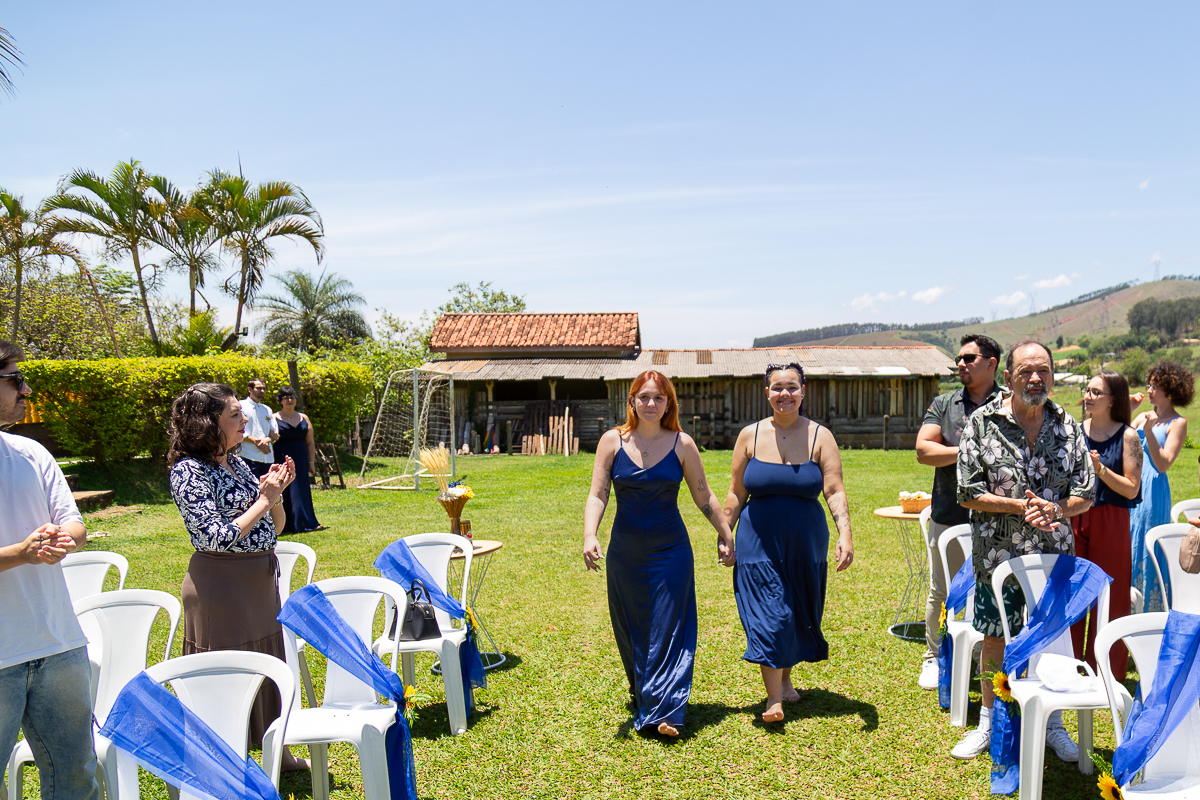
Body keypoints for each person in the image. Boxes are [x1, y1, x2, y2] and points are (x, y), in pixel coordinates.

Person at [951, 340, 1094, 761]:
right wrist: (1019, 506)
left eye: (1044, 371)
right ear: (1008, 377)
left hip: (1054, 556)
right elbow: (967, 492)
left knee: (1052, 637)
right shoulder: (981, 424)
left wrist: (1054, 508)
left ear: (1052, 375)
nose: (1036, 378)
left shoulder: (1068, 426)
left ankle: (1054, 725)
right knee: (994, 637)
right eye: (1026, 371)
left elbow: (1085, 492)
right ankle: (988, 723)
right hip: (999, 556)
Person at [582, 370, 735, 737]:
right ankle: (644, 692)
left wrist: (727, 533)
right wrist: (590, 534)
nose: (651, 404)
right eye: (644, 397)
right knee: (632, 625)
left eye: (659, 398)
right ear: (631, 400)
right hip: (625, 550)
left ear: (669, 403)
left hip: (671, 550)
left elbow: (704, 496)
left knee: (669, 626)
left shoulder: (682, 443)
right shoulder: (612, 442)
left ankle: (666, 712)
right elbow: (598, 493)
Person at [167, 382, 308, 770]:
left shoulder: (238, 462)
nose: (245, 418)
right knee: (229, 672)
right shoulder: (188, 471)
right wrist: (263, 500)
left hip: (258, 583)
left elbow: (275, 527)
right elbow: (216, 536)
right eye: (234, 414)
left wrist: (275, 495)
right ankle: (225, 762)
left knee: (267, 661)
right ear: (206, 423)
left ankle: (278, 752)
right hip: (221, 588)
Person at [724, 362, 854, 723]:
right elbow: (736, 491)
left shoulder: (820, 436)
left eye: (792, 387)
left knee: (795, 607)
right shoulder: (748, 436)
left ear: (803, 391)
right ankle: (772, 700)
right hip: (757, 541)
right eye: (777, 387)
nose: (785, 394)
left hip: (805, 541)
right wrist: (726, 532)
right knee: (770, 611)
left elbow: (833, 488)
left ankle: (785, 680)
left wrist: (845, 533)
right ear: (766, 393)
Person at [0, 341, 100, 800]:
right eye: (15, 380)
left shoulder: (30, 452)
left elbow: (74, 524)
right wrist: (19, 553)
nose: (26, 389)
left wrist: (65, 540)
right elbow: (22, 551)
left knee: (76, 778)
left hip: (58, 645)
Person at [914, 334, 1002, 690]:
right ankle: (934, 656)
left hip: (999, 517)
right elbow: (923, 449)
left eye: (969, 358)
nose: (960, 364)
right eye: (959, 359)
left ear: (992, 363)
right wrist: (969, 449)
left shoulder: (1009, 404)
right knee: (944, 591)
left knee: (994, 591)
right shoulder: (945, 403)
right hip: (949, 513)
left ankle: (986, 654)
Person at [1073, 371, 1141, 680]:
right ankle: (1070, 665)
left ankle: (1107, 671)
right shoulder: (1074, 431)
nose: (1088, 396)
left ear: (1113, 399)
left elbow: (1131, 489)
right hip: (1076, 515)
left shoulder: (1128, 436)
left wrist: (1099, 470)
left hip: (1112, 518)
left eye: (1095, 392)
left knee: (1111, 596)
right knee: (1072, 592)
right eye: (1087, 390)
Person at [1129, 360, 1192, 613]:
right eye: (1149, 384)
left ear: (1171, 390)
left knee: (1148, 542)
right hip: (1131, 485)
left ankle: (1153, 610)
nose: (1150, 390)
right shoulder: (1142, 416)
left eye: (1156, 386)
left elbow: (1164, 463)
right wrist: (1129, 411)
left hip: (1153, 489)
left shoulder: (1178, 423)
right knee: (1130, 539)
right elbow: (1120, 440)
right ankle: (1129, 606)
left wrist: (1148, 431)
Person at [272, 386, 322, 533]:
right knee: (286, 489)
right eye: (286, 398)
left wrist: (311, 462)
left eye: (292, 397)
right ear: (280, 401)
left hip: (300, 457)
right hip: (282, 457)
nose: (289, 400)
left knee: (302, 488)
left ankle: (307, 521)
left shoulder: (304, 418)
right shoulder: (274, 418)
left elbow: (310, 442)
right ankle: (288, 524)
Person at [240, 378, 279, 479]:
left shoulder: (267, 409)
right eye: (258, 388)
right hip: (248, 455)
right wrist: (256, 442)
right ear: (250, 389)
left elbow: (274, 431)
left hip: (267, 457)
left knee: (267, 489)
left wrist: (267, 440)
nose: (262, 391)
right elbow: (237, 430)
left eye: (264, 389)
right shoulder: (240, 406)